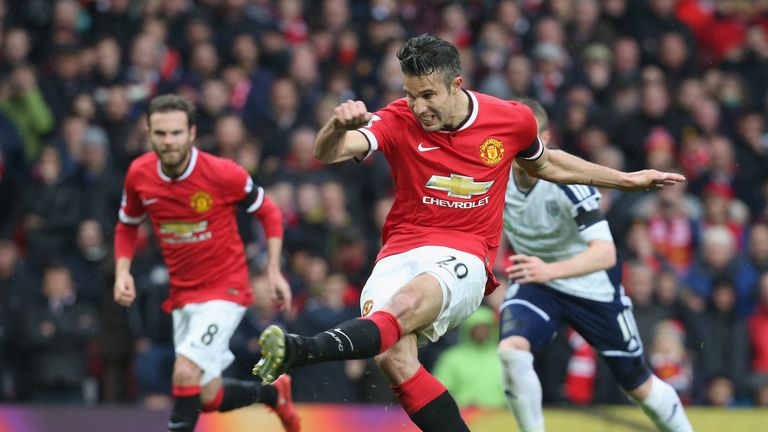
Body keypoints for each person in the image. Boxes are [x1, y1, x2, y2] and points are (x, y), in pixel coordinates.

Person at [252, 34, 684, 431]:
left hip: (464, 252)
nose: (418, 107)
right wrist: (337, 127)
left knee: (402, 309)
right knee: (392, 356)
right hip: (400, 248)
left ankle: (300, 349)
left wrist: (626, 180)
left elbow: (546, 163)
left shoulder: (510, 120)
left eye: (427, 95)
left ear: (456, 84)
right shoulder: (398, 118)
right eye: (409, 94)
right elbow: (329, 153)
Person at [497, 99, 692, 432]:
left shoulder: (567, 182)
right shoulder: (493, 176)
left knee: (638, 385)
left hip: (591, 287)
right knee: (511, 352)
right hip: (537, 283)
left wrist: (549, 271)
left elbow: (606, 254)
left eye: (522, 135)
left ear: (543, 137)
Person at [113, 95, 299, 432]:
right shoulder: (139, 174)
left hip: (225, 290)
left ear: (192, 133)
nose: (168, 141)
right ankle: (274, 395)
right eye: (161, 134)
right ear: (149, 133)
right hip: (183, 295)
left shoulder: (221, 173)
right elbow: (127, 223)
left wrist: (273, 270)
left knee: (184, 372)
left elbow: (268, 211)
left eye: (175, 133)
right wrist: (122, 270)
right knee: (208, 396)